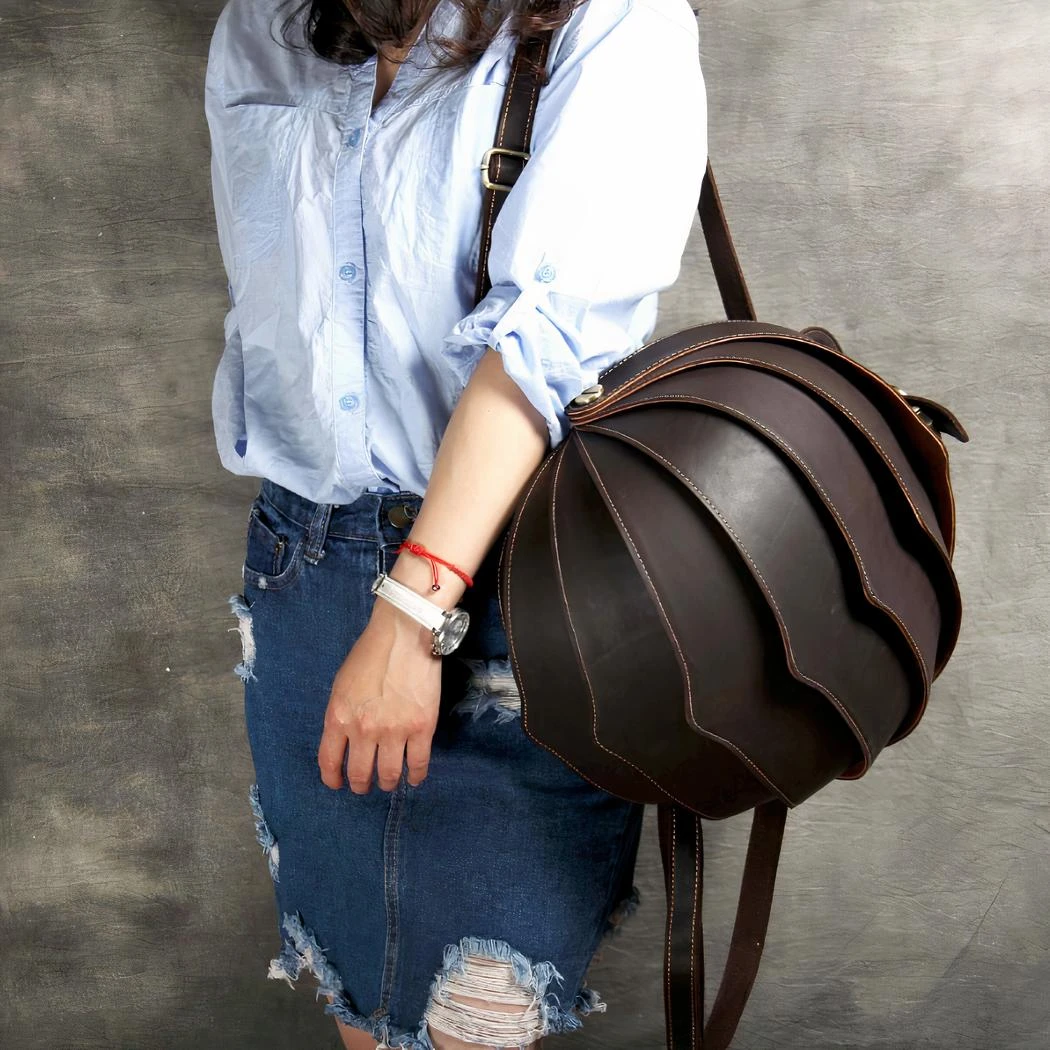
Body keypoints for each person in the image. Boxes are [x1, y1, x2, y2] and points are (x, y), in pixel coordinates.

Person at [204, 0, 708, 1046]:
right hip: (305, 577)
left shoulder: (613, 20)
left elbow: (547, 339)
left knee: (472, 1022)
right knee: (365, 1010)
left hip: (517, 599)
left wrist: (410, 613)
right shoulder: (266, 21)